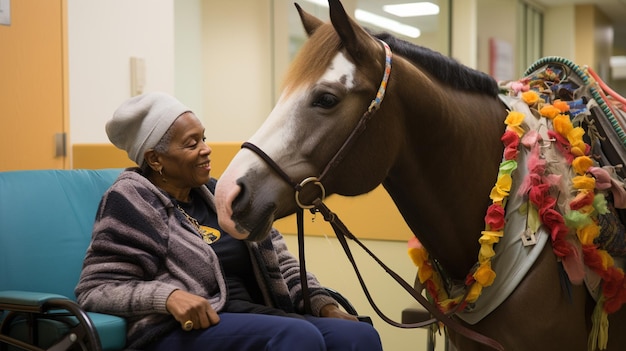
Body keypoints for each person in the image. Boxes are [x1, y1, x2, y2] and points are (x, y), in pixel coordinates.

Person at [75, 92, 383, 351]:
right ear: (156, 159)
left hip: (252, 313)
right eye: (191, 143)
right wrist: (169, 297)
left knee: (358, 336)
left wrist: (322, 304)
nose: (206, 149)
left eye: (204, 138)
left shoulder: (223, 194)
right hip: (177, 329)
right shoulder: (131, 200)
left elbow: (283, 264)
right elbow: (97, 289)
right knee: (297, 337)